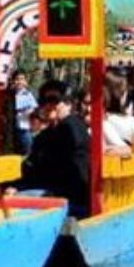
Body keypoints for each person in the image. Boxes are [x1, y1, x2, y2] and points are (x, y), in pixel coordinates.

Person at [21, 79, 92, 216]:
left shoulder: (72, 127)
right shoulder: (44, 136)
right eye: (44, 101)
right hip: (51, 193)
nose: (48, 105)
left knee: (17, 201)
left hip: (73, 200)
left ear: (68, 104)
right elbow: (32, 167)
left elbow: (67, 168)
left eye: (54, 100)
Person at [10, 71, 37, 154]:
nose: (19, 82)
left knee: (26, 151)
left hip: (24, 128)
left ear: (25, 82)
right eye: (17, 79)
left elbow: (34, 108)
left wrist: (26, 111)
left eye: (22, 79)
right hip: (12, 130)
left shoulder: (28, 95)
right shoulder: (10, 94)